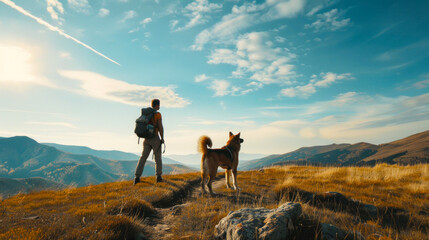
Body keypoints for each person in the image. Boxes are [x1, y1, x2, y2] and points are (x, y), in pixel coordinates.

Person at [134, 99, 164, 185]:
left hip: (146, 138)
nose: (159, 106)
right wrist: (162, 138)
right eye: (159, 104)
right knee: (157, 158)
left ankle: (137, 177)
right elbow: (160, 127)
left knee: (143, 158)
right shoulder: (157, 114)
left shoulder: (146, 114)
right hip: (155, 138)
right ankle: (158, 177)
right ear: (157, 105)